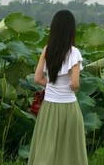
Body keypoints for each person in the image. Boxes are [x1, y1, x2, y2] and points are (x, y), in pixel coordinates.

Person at [28, 10, 88, 165]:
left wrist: (51, 85)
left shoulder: (47, 50)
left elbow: (37, 78)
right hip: (69, 107)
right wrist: (73, 88)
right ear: (71, 30)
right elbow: (74, 83)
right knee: (70, 152)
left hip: (48, 107)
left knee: (47, 150)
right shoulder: (74, 52)